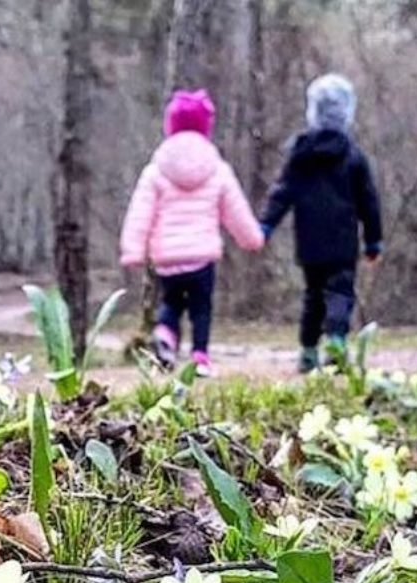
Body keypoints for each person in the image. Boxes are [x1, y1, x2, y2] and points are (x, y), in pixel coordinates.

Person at [119, 89, 264, 377]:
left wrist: (133, 249)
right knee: (201, 308)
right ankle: (199, 357)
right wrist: (252, 238)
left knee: (171, 303)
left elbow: (140, 212)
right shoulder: (216, 168)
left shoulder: (156, 170)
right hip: (201, 257)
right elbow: (234, 209)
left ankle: (165, 335)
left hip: (168, 259)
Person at [260, 74, 383, 373]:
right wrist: (373, 240)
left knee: (313, 296)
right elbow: (369, 201)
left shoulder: (300, 155)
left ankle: (308, 351)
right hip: (343, 243)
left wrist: (265, 226)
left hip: (309, 241)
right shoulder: (353, 157)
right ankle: (337, 341)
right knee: (340, 293)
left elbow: (282, 193)